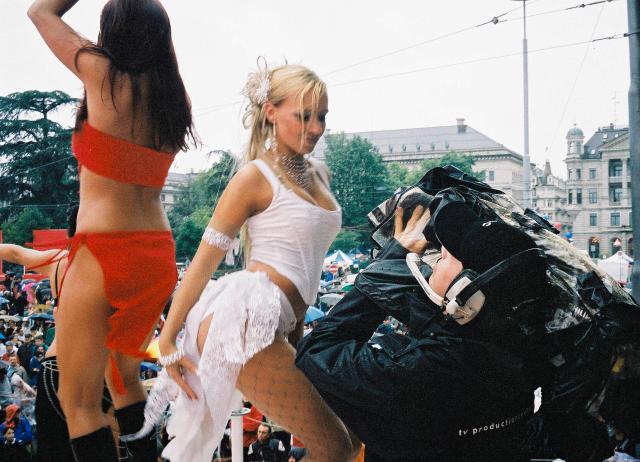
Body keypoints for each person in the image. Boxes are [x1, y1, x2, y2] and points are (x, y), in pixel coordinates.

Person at [129, 62, 358, 461]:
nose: (316, 127)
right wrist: (167, 340)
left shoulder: (319, 174)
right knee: (335, 447)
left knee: (351, 440)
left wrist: (295, 338)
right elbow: (204, 262)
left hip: (278, 323)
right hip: (244, 322)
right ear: (271, 112)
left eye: (322, 116)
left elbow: (305, 270)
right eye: (303, 116)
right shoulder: (255, 177)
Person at [28, 0, 194, 460]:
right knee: (123, 381)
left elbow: (40, 12)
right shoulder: (174, 99)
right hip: (156, 254)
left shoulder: (104, 76)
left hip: (104, 250)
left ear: (113, 32)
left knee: (78, 403)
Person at [296, 201, 554, 461]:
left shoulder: (421, 370)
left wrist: (387, 264)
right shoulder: (526, 349)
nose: (438, 253)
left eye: (446, 255)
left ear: (467, 292)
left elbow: (317, 350)